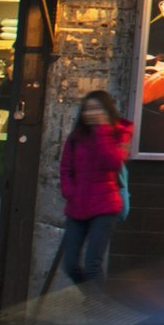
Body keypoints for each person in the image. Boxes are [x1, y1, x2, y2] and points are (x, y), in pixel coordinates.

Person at [54, 90, 132, 299]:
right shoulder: (76, 137)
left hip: (105, 207)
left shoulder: (117, 134)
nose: (92, 113)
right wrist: (69, 191)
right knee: (70, 264)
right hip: (78, 206)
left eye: (97, 108)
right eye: (88, 109)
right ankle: (95, 300)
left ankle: (96, 311)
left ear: (107, 111)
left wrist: (102, 131)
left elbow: (113, 162)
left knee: (92, 264)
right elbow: (65, 168)